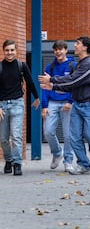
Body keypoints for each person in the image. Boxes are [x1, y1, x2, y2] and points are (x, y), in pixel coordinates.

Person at [38, 36, 90, 175]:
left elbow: (73, 80)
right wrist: (53, 87)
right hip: (78, 104)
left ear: (85, 47)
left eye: (78, 43)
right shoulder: (78, 64)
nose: (75, 45)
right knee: (74, 137)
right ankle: (84, 164)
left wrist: (52, 80)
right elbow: (72, 87)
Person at [0, 39, 40, 176]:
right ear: (3, 51)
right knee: (3, 138)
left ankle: (17, 163)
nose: (9, 53)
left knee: (16, 135)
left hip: (17, 104)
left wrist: (37, 97)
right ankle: (9, 160)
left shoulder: (21, 66)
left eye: (12, 50)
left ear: (16, 51)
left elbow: (30, 82)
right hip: (2, 106)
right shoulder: (0, 67)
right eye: (7, 50)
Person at [41, 40, 76, 172]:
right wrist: (44, 105)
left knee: (68, 135)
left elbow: (75, 85)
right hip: (52, 103)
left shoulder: (73, 65)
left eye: (61, 49)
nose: (58, 52)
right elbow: (44, 87)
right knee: (48, 131)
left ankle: (68, 161)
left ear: (66, 50)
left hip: (67, 103)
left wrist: (70, 101)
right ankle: (57, 153)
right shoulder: (49, 68)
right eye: (56, 49)